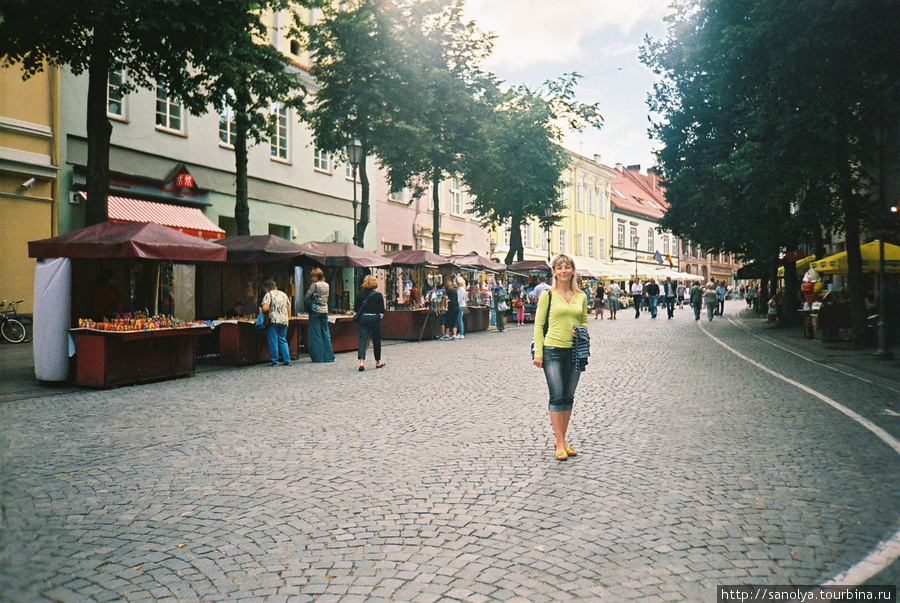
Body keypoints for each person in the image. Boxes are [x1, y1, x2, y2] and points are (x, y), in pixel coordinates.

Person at [533, 254, 589, 461]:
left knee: (568, 396)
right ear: (554, 271)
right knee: (557, 396)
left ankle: (562, 440)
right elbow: (539, 325)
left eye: (568, 267)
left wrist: (580, 331)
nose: (564, 271)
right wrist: (538, 353)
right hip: (553, 350)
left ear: (573, 270)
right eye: (560, 267)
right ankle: (559, 441)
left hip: (574, 350)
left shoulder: (581, 296)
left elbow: (584, 320)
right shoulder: (548, 294)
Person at [355, 274, 385, 371]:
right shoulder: (378, 295)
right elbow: (382, 310)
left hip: (363, 318)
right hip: (375, 318)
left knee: (363, 339)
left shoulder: (359, 294)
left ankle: (362, 362)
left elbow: (356, 308)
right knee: (376, 340)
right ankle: (377, 361)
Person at [306, 267, 335, 362]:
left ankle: (318, 357)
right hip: (324, 310)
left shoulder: (314, 285)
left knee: (316, 334)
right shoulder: (327, 285)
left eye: (313, 276)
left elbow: (306, 296)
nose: (311, 278)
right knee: (325, 333)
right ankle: (329, 356)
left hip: (315, 311)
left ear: (316, 276)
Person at [261, 278, 291, 366]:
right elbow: (288, 308)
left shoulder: (269, 295)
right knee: (282, 339)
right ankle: (287, 359)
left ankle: (274, 360)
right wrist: (287, 319)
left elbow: (265, 308)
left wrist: (262, 309)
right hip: (284, 320)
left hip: (273, 320)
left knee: (273, 340)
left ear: (267, 288)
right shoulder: (284, 294)